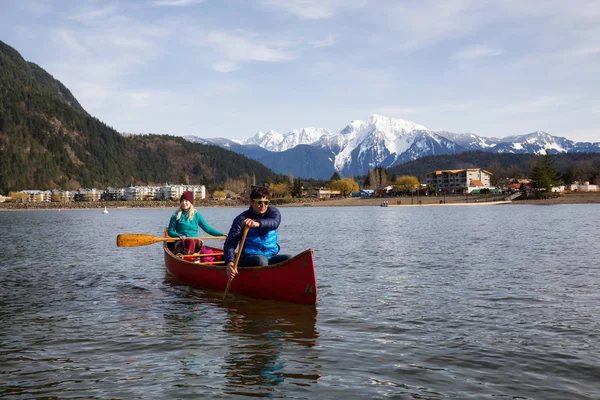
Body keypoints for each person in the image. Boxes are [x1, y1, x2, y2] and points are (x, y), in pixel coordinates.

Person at [224, 187, 290, 279]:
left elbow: (274, 223)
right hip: (249, 258)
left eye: (266, 202)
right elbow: (230, 244)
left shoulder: (273, 213)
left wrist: (257, 224)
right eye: (259, 202)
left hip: (270, 257)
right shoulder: (241, 219)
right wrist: (230, 263)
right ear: (251, 201)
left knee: (290, 259)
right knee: (261, 261)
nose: (263, 206)